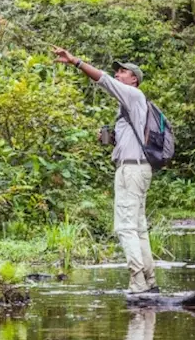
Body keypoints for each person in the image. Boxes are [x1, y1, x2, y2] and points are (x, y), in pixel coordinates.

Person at [52, 46, 156, 295]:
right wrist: (110, 141)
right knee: (138, 228)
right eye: (118, 71)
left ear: (134, 80)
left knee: (124, 227)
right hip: (136, 169)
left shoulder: (133, 95)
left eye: (123, 72)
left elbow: (103, 80)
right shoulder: (129, 106)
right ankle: (149, 281)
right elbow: (130, 141)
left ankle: (137, 283)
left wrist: (75, 61)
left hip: (131, 172)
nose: (118, 74)